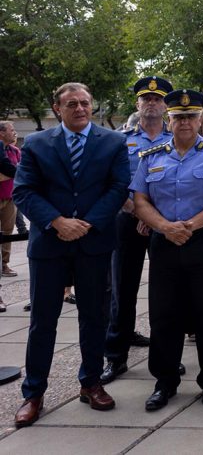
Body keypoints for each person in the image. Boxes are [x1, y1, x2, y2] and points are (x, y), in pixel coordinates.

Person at [12, 83, 130, 427]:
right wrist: (57, 221)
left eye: (85, 103)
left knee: (94, 318)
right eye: (72, 104)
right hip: (49, 244)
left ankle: (91, 383)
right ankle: (33, 393)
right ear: (57, 108)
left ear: (92, 106)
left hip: (93, 243)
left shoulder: (113, 142)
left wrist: (88, 223)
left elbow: (118, 187)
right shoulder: (36, 143)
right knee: (42, 321)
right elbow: (24, 190)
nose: (80, 108)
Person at [131, 89, 203, 412]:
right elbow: (140, 200)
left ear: (200, 119)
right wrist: (165, 227)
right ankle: (165, 382)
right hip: (165, 243)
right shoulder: (151, 157)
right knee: (164, 313)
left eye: (191, 117)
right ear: (169, 120)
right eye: (179, 117)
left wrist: (188, 226)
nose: (185, 123)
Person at [101, 77, 173, 385]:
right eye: (147, 99)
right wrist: (138, 211)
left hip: (165, 223)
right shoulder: (120, 140)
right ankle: (116, 357)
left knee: (166, 292)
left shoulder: (177, 138)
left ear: (166, 105)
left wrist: (155, 217)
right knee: (122, 289)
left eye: (158, 99)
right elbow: (112, 181)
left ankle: (166, 358)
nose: (152, 103)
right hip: (127, 219)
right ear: (138, 104)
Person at [0, 120, 22, 281]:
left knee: (8, 232)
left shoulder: (15, 151)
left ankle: (4, 264)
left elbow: (20, 171)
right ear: (2, 133)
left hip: (10, 197)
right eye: (11, 130)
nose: (14, 132)